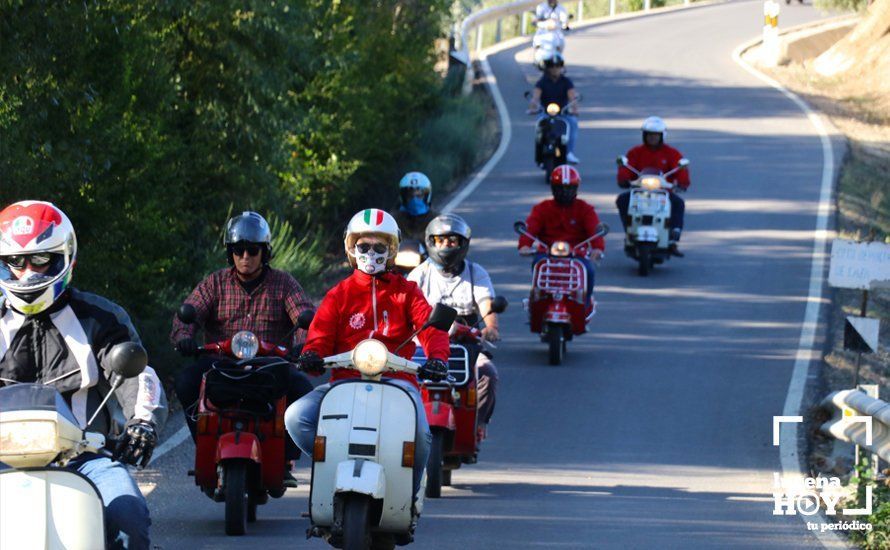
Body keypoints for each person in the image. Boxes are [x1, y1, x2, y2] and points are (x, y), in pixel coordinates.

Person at [0, 200, 166, 550]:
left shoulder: (101, 317)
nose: (26, 272)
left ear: (66, 257)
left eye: (41, 259)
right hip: (3, 456)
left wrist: (143, 423)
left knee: (130, 519)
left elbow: (139, 373)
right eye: (14, 262)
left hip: (85, 456)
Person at [284, 208, 450, 498]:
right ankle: (333, 465)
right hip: (344, 384)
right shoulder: (339, 294)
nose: (371, 252)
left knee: (423, 437)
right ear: (352, 248)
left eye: (378, 247)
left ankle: (407, 497)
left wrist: (437, 357)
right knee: (296, 416)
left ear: (391, 250)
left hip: (399, 384)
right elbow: (320, 335)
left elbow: (431, 328)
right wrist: (311, 354)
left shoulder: (407, 292)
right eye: (364, 246)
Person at [170, 211, 314, 485]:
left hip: (269, 363)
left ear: (265, 252)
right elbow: (188, 313)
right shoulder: (214, 283)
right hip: (219, 362)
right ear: (230, 253)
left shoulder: (283, 283)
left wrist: (302, 347)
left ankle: (285, 457)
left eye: (252, 250)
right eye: (238, 250)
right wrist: (184, 337)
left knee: (301, 389)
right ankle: (204, 444)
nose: (245, 257)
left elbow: (304, 316)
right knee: (186, 381)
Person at [408, 214, 500, 437]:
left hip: (466, 344)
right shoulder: (420, 274)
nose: (446, 245)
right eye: (440, 240)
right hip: (423, 345)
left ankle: (477, 425)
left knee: (488, 373)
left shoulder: (475, 272)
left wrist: (491, 327)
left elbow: (486, 303)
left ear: (462, 244)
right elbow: (405, 304)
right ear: (431, 242)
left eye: (452, 241)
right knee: (399, 380)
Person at [518, 165, 604, 304]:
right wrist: (524, 245)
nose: (564, 192)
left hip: (577, 253)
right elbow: (530, 228)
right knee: (537, 265)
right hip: (546, 252)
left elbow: (595, 230)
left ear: (576, 188)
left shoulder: (585, 209)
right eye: (560, 188)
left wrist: (597, 248)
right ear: (553, 188)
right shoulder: (542, 208)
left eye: (569, 188)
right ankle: (537, 303)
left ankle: (584, 306)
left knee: (588, 270)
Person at [616, 116, 691, 256]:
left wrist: (681, 182)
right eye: (649, 135)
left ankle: (673, 236)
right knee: (622, 200)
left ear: (662, 136)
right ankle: (630, 230)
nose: (652, 138)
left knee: (678, 203)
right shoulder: (635, 152)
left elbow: (681, 170)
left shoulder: (671, 153)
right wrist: (624, 179)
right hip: (640, 192)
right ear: (644, 135)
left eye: (656, 135)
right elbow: (626, 168)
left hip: (663, 193)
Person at [527, 53, 580, 164]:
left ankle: (569, 152)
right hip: (546, 112)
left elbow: (572, 97)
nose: (555, 68)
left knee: (573, 123)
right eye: (552, 66)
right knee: (539, 126)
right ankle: (540, 152)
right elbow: (536, 97)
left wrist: (574, 109)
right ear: (547, 68)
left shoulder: (566, 81)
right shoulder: (541, 82)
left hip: (563, 112)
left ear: (562, 67)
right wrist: (532, 107)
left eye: (558, 65)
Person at [390, 171, 437, 242]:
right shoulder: (393, 220)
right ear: (404, 197)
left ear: (426, 196)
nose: (414, 200)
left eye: (419, 196)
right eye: (410, 196)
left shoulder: (435, 219)